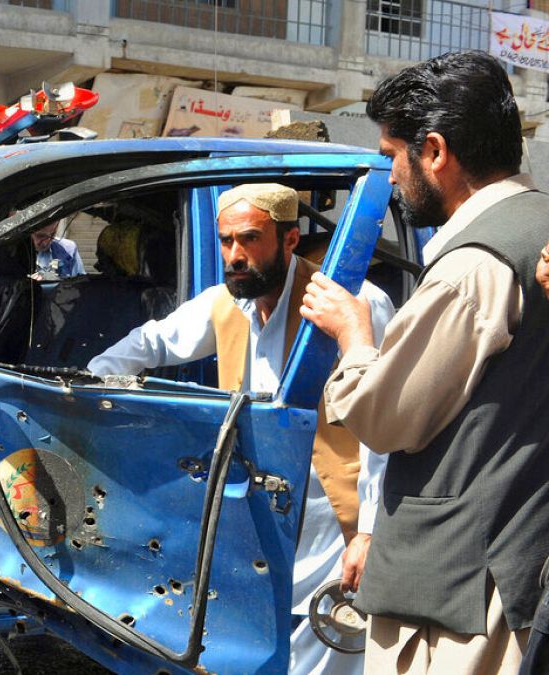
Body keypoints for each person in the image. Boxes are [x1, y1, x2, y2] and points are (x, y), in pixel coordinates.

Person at [300, 51, 548, 674]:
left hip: (462, 596)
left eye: (391, 156)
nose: (389, 176)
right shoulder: (535, 227)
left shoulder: (475, 264)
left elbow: (386, 420)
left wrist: (353, 336)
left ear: (433, 151)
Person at [88, 183, 393, 674]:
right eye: (227, 241)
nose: (234, 255)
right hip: (258, 522)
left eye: (249, 239)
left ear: (290, 240)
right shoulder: (226, 304)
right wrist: (90, 380)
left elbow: (385, 427)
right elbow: (153, 341)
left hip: (332, 524)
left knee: (330, 649)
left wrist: (372, 532)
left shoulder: (351, 303)